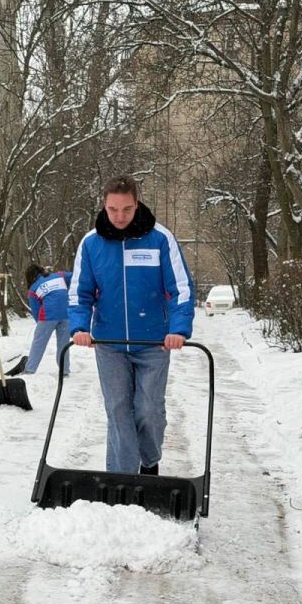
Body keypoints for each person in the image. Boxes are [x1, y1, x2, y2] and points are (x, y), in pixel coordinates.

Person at [68, 175, 194, 475]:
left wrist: (178, 329)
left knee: (149, 410)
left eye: (126, 209)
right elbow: (79, 292)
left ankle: (149, 464)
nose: (119, 216)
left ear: (136, 205)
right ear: (104, 205)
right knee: (118, 411)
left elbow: (181, 288)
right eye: (113, 209)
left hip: (153, 343)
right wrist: (79, 327)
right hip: (109, 344)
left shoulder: (160, 239)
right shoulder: (91, 244)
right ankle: (121, 478)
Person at [8, 264, 72, 376]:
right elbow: (74, 276)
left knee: (39, 343)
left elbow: (36, 311)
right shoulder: (59, 275)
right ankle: (64, 370)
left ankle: (30, 369)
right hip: (66, 312)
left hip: (48, 315)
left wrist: (41, 326)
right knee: (63, 344)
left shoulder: (33, 288)